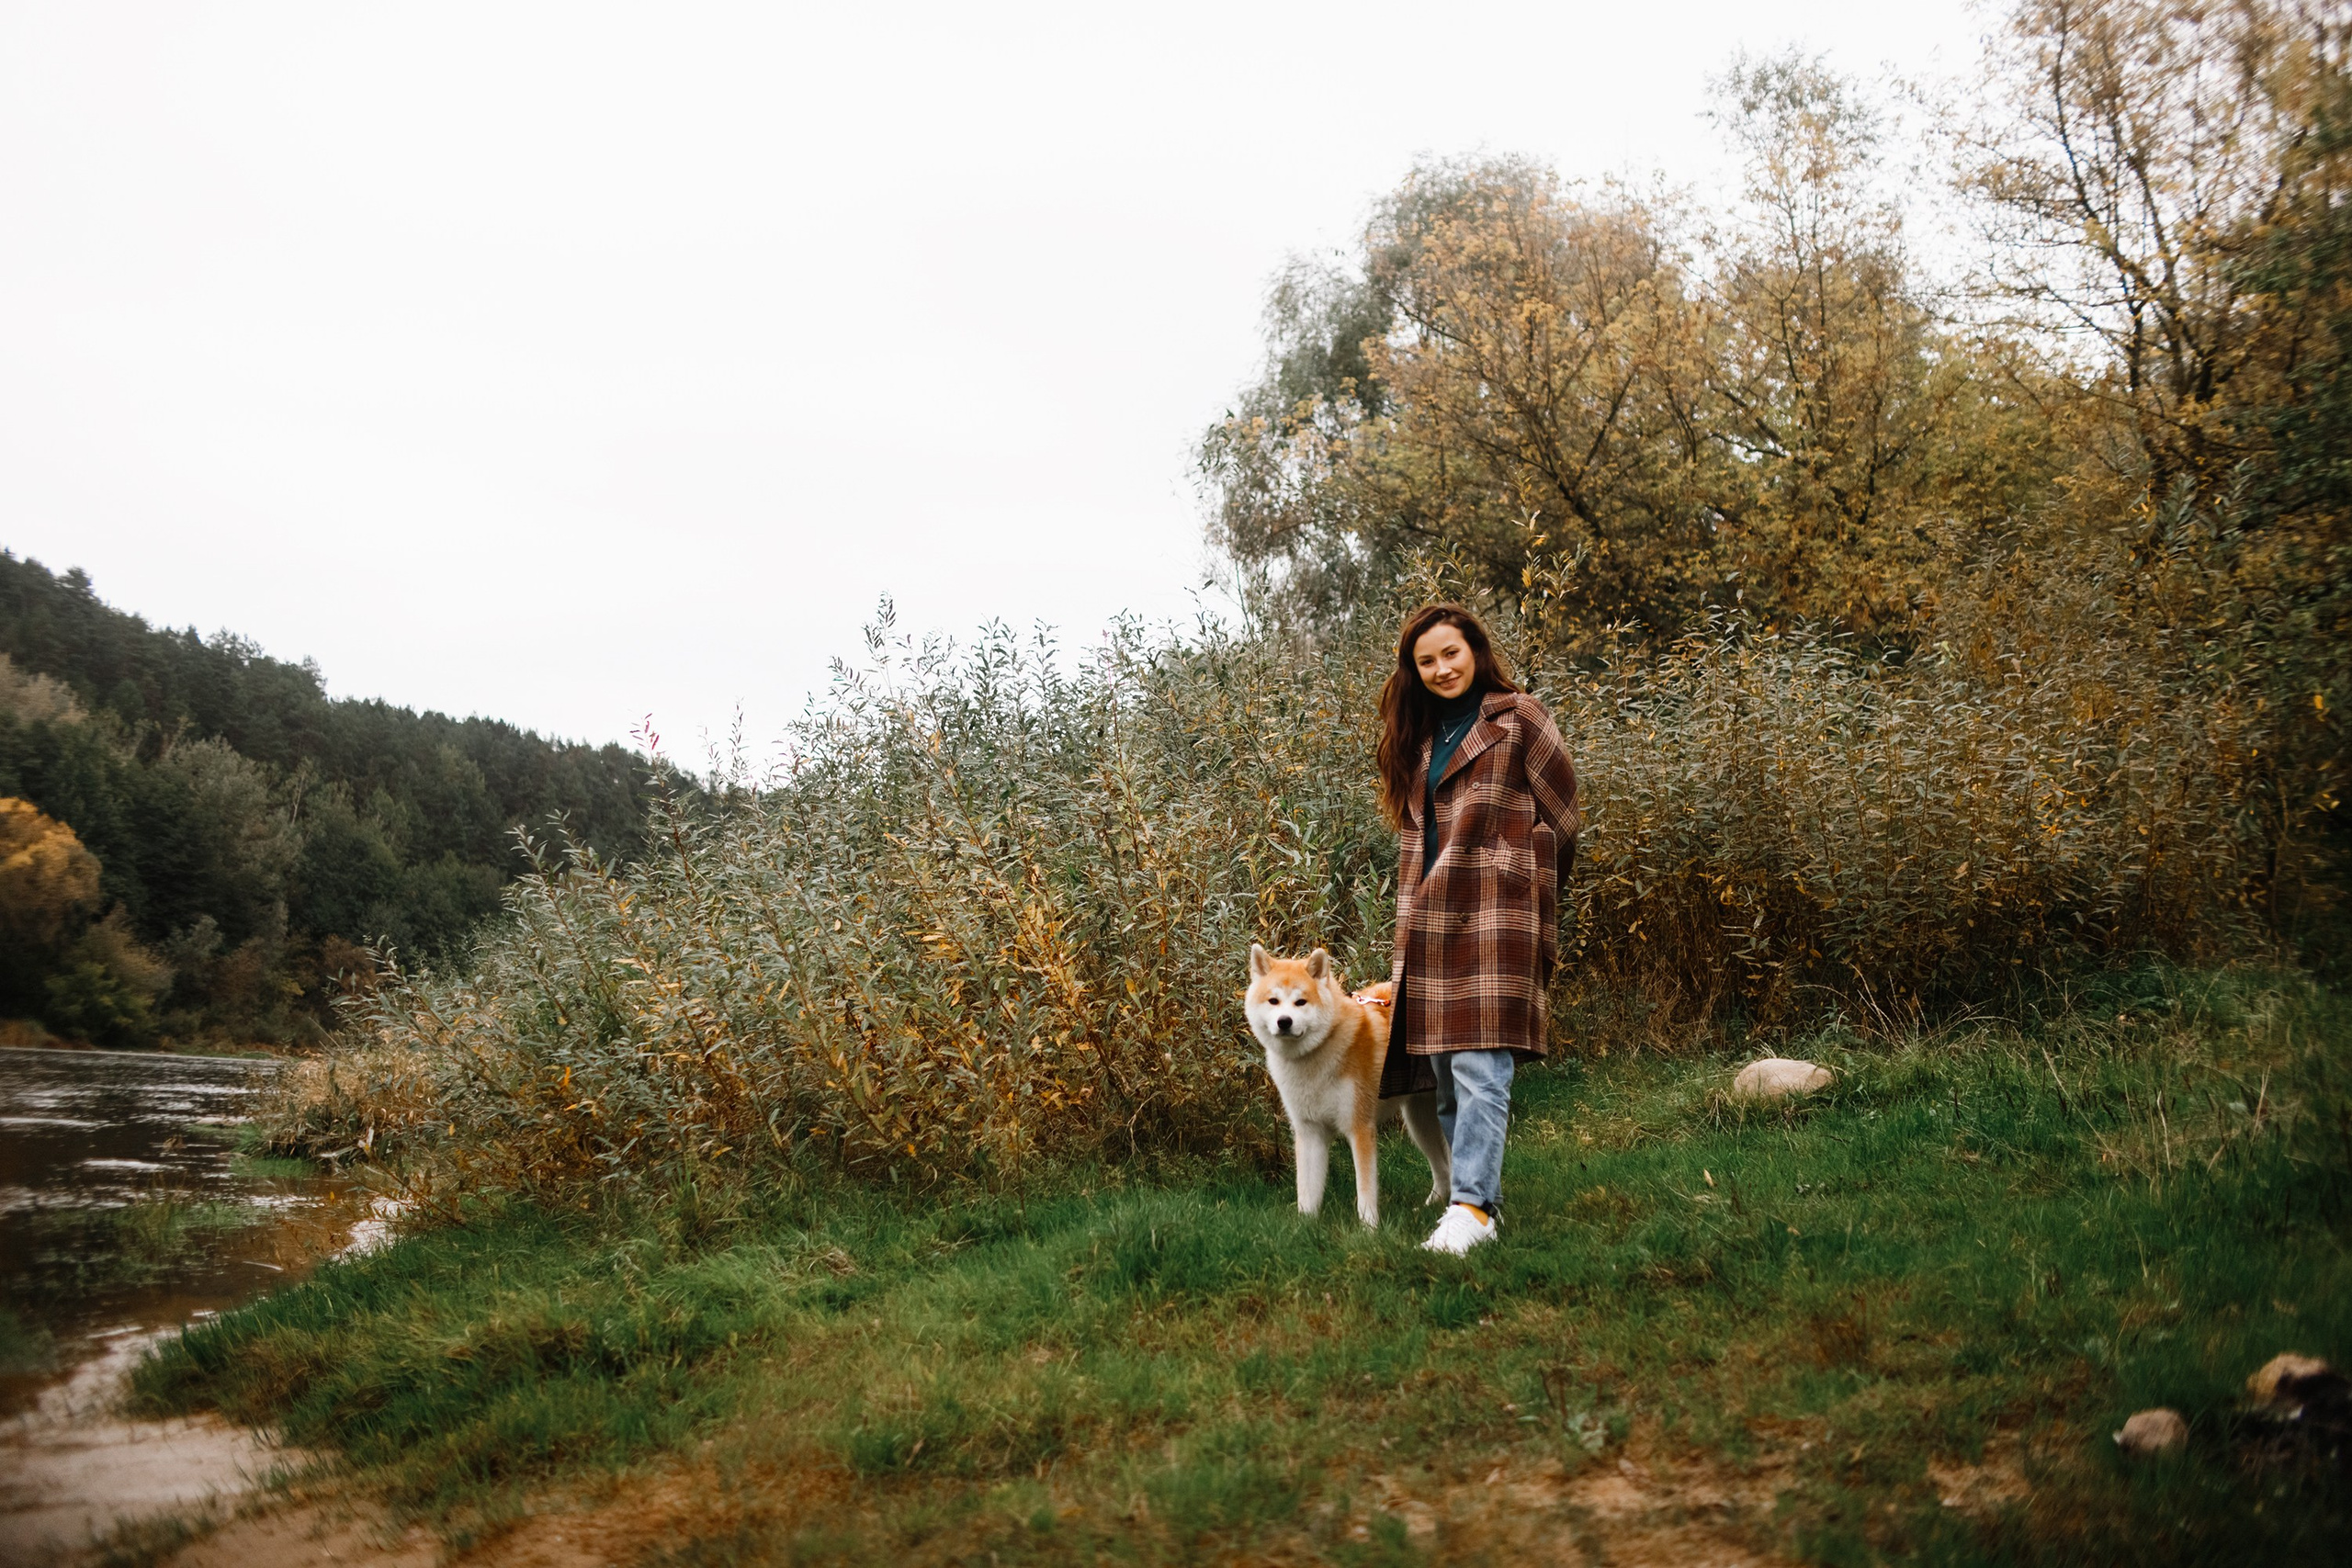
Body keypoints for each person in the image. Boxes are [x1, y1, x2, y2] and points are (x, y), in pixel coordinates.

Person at [1375, 604, 1579, 1254]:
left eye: (1451, 653)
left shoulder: (1520, 716)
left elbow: (1565, 816)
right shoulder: (1418, 736)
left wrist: (1521, 881)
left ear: (1475, 651)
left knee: (1480, 1065)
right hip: (1429, 917)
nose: (1441, 669)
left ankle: (1474, 1209)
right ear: (1414, 670)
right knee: (1442, 1070)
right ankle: (1471, 1193)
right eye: (1426, 660)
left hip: (1496, 913)